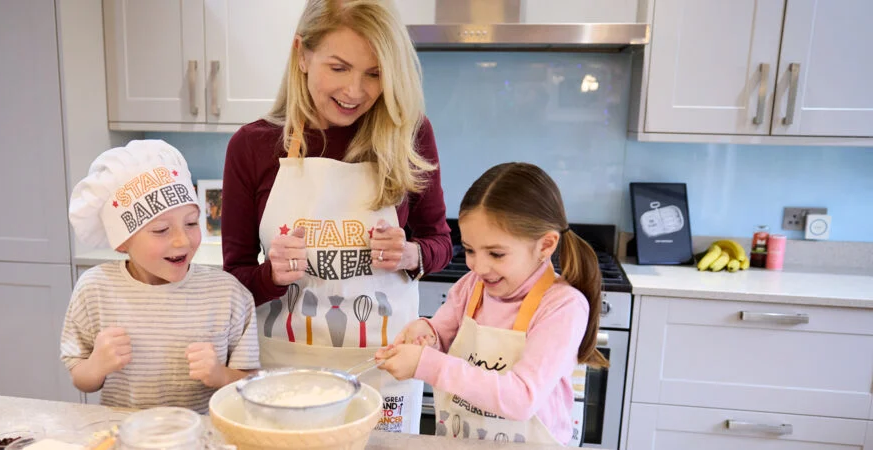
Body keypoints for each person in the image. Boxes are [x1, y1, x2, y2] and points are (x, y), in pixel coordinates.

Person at [220, 0, 451, 434]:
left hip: (385, 370)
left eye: (375, 73)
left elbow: (440, 242)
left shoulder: (410, 133)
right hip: (283, 374)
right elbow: (233, 280)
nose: (355, 91)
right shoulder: (252, 146)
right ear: (302, 55)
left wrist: (410, 254)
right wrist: (270, 275)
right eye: (339, 67)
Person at [376, 162, 609, 444]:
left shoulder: (562, 307)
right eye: (471, 250)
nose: (479, 266)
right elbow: (440, 334)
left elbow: (522, 398)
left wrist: (428, 365)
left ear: (546, 245)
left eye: (496, 254)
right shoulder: (472, 286)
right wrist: (425, 334)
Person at [62, 140, 259, 412]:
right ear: (122, 242)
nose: (182, 241)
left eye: (191, 223)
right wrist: (97, 364)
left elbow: (252, 383)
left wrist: (220, 375)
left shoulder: (227, 295)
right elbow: (81, 377)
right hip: (125, 436)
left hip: (201, 438)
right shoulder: (95, 290)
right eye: (161, 229)